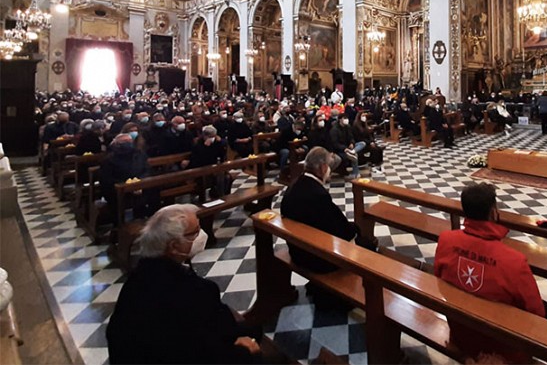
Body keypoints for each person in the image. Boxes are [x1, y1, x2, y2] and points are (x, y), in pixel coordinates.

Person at [106, 204, 263, 364]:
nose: (201, 235)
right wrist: (244, 347)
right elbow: (209, 348)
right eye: (195, 232)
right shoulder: (195, 292)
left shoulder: (137, 278)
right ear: (174, 246)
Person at [434, 183, 547, 363]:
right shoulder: (514, 261)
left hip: (461, 333)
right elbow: (537, 313)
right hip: (502, 348)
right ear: (493, 212)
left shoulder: (446, 240)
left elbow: (438, 279)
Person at [280, 147, 376, 275]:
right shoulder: (319, 195)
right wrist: (356, 229)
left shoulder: (294, 186)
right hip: (318, 259)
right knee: (369, 247)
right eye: (330, 166)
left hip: (297, 251)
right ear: (323, 168)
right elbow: (341, 230)